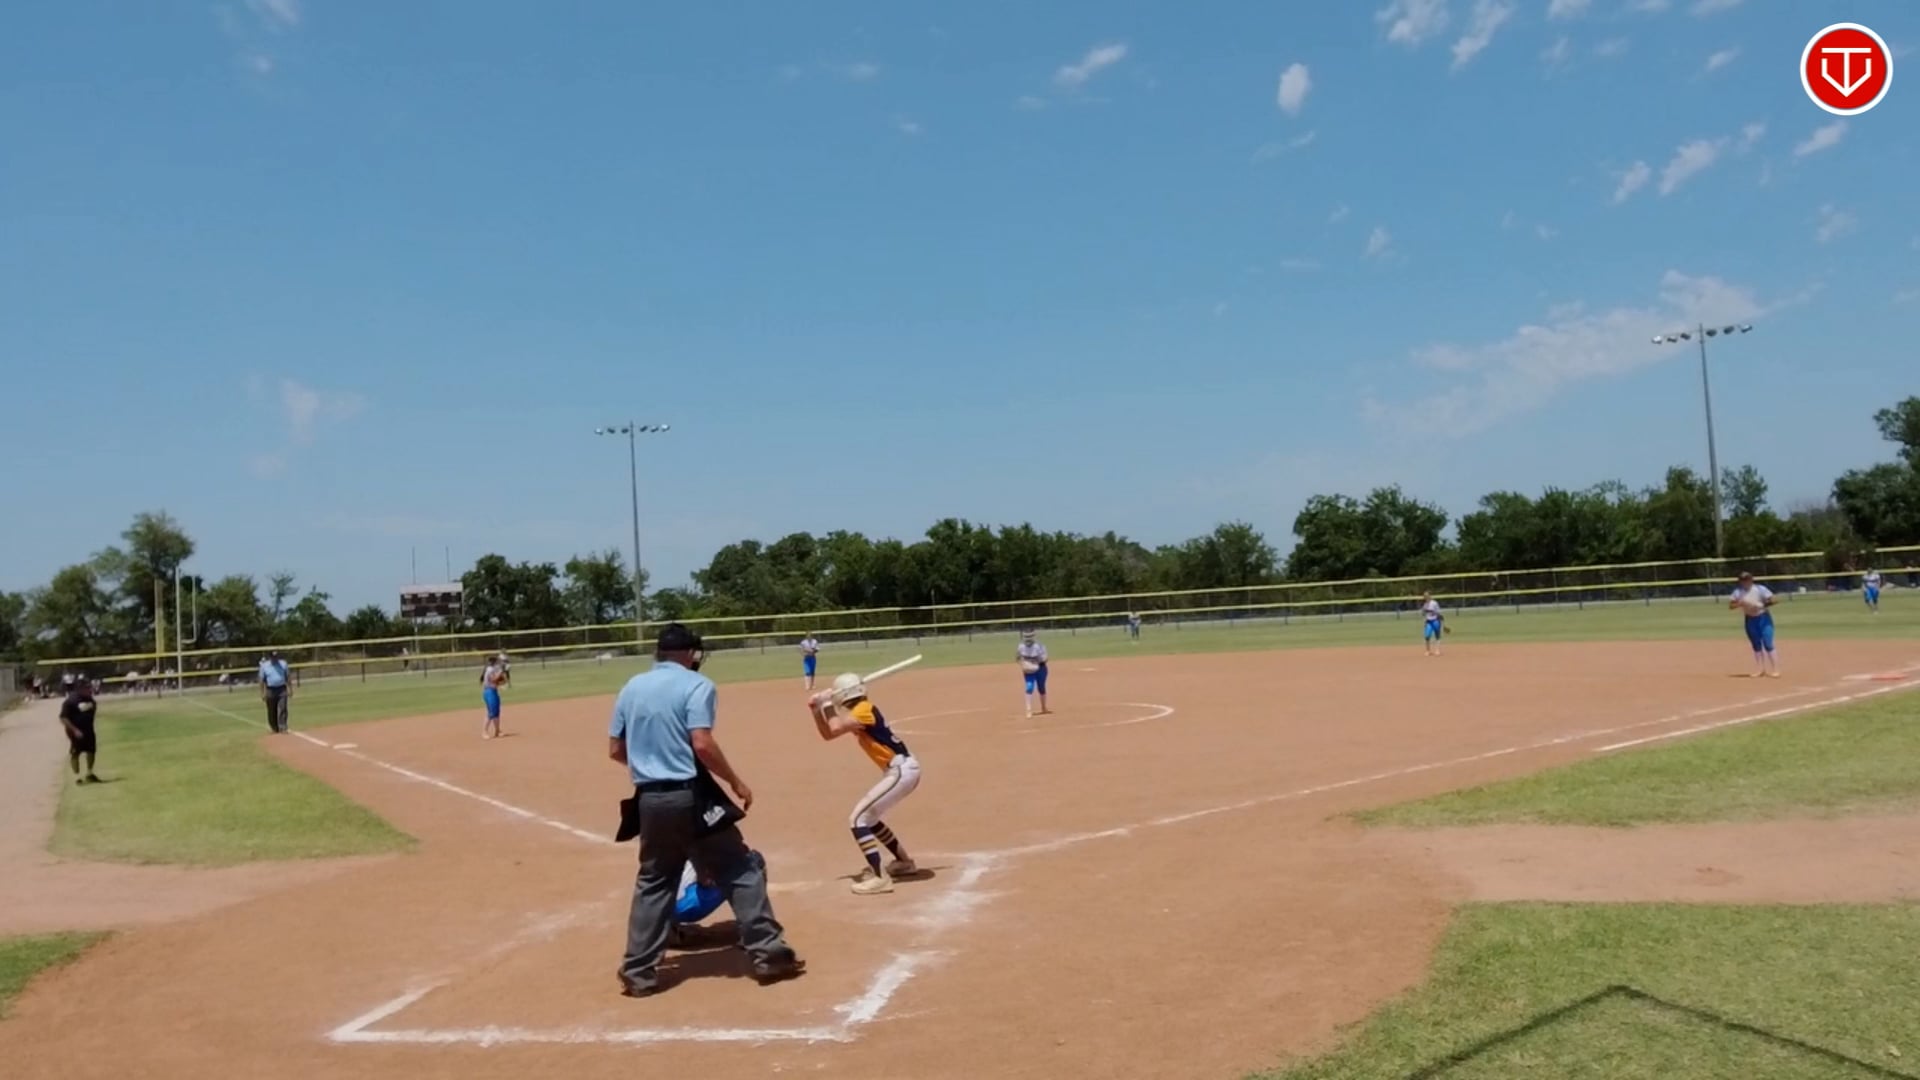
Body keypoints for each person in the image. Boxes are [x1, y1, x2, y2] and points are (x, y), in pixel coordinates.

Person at [607, 623, 804, 997]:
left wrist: (651, 764)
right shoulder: (697, 685)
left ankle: (638, 972)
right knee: (740, 868)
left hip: (649, 799)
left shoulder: (632, 686)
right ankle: (769, 954)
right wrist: (735, 781)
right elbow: (701, 743)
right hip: (691, 795)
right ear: (688, 653)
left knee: (654, 880)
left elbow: (616, 750)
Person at [808, 672, 921, 895]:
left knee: (858, 819)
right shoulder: (860, 711)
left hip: (901, 770)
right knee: (870, 818)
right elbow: (829, 734)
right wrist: (816, 710)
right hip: (899, 771)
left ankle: (880, 878)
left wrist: (827, 703)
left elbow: (836, 727)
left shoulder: (863, 709)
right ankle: (904, 863)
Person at [1729, 572, 1780, 677]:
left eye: (1747, 580)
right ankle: (1760, 669)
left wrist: (1762, 605)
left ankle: (1775, 669)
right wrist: (1740, 603)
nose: (1745, 582)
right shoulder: (1738, 592)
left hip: (1763, 617)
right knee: (1756, 644)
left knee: (1768, 643)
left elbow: (1774, 600)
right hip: (1750, 619)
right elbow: (1731, 605)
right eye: (1743, 580)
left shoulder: (1760, 589)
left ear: (1751, 580)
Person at [59, 679, 101, 785]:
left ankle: (89, 773)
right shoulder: (70, 701)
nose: (89, 689)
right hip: (75, 732)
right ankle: (76, 777)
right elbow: (63, 718)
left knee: (91, 751)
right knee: (75, 753)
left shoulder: (90, 699)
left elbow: (93, 710)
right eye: (87, 688)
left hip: (88, 730)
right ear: (80, 689)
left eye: (89, 687)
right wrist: (75, 730)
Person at [1016, 630, 1050, 717]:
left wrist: (1037, 661)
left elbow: (1045, 658)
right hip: (1028, 670)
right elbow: (1017, 658)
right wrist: (1024, 664)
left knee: (1041, 687)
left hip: (1040, 668)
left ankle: (1044, 708)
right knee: (1029, 687)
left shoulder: (1039, 646)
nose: (1028, 639)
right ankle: (1029, 709)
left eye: (1030, 637)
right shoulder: (1021, 646)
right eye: (1026, 637)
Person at [258, 651, 292, 732]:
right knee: (271, 709)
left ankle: (283, 726)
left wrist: (290, 689)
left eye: (276, 657)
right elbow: (261, 680)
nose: (275, 659)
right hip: (270, 690)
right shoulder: (264, 666)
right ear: (270, 658)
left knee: (283, 708)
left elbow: (287, 676)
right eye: (273, 657)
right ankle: (274, 727)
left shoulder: (283, 664)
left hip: (282, 689)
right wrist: (262, 693)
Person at [480, 653, 511, 739]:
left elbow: (500, 681)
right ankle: (484, 732)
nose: (501, 663)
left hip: (493, 691)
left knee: (496, 712)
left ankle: (497, 731)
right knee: (491, 713)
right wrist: (501, 672)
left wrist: (503, 677)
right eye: (500, 661)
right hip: (489, 692)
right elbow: (493, 680)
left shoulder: (494, 669)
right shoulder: (490, 669)